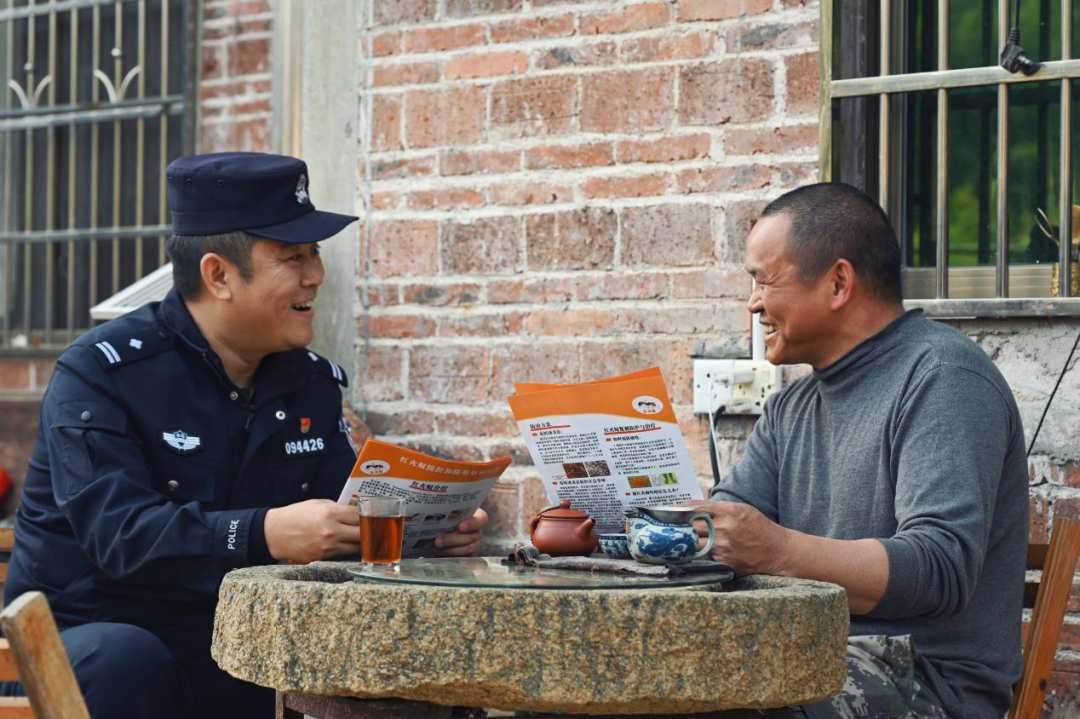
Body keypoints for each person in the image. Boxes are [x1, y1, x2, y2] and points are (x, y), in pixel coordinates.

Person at [3, 152, 489, 719]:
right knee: (128, 658)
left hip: (232, 644)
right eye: (293, 256)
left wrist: (428, 530)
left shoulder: (307, 382)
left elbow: (340, 515)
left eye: (314, 253)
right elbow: (121, 535)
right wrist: (265, 533)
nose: (315, 275)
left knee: (403, 660)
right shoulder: (100, 373)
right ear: (219, 276)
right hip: (86, 645)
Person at [696, 183, 1027, 718]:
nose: (753, 303)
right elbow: (724, 533)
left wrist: (777, 550)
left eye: (764, 280)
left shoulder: (943, 377)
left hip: (925, 683)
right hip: (800, 653)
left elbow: (939, 567)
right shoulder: (791, 406)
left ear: (838, 283)